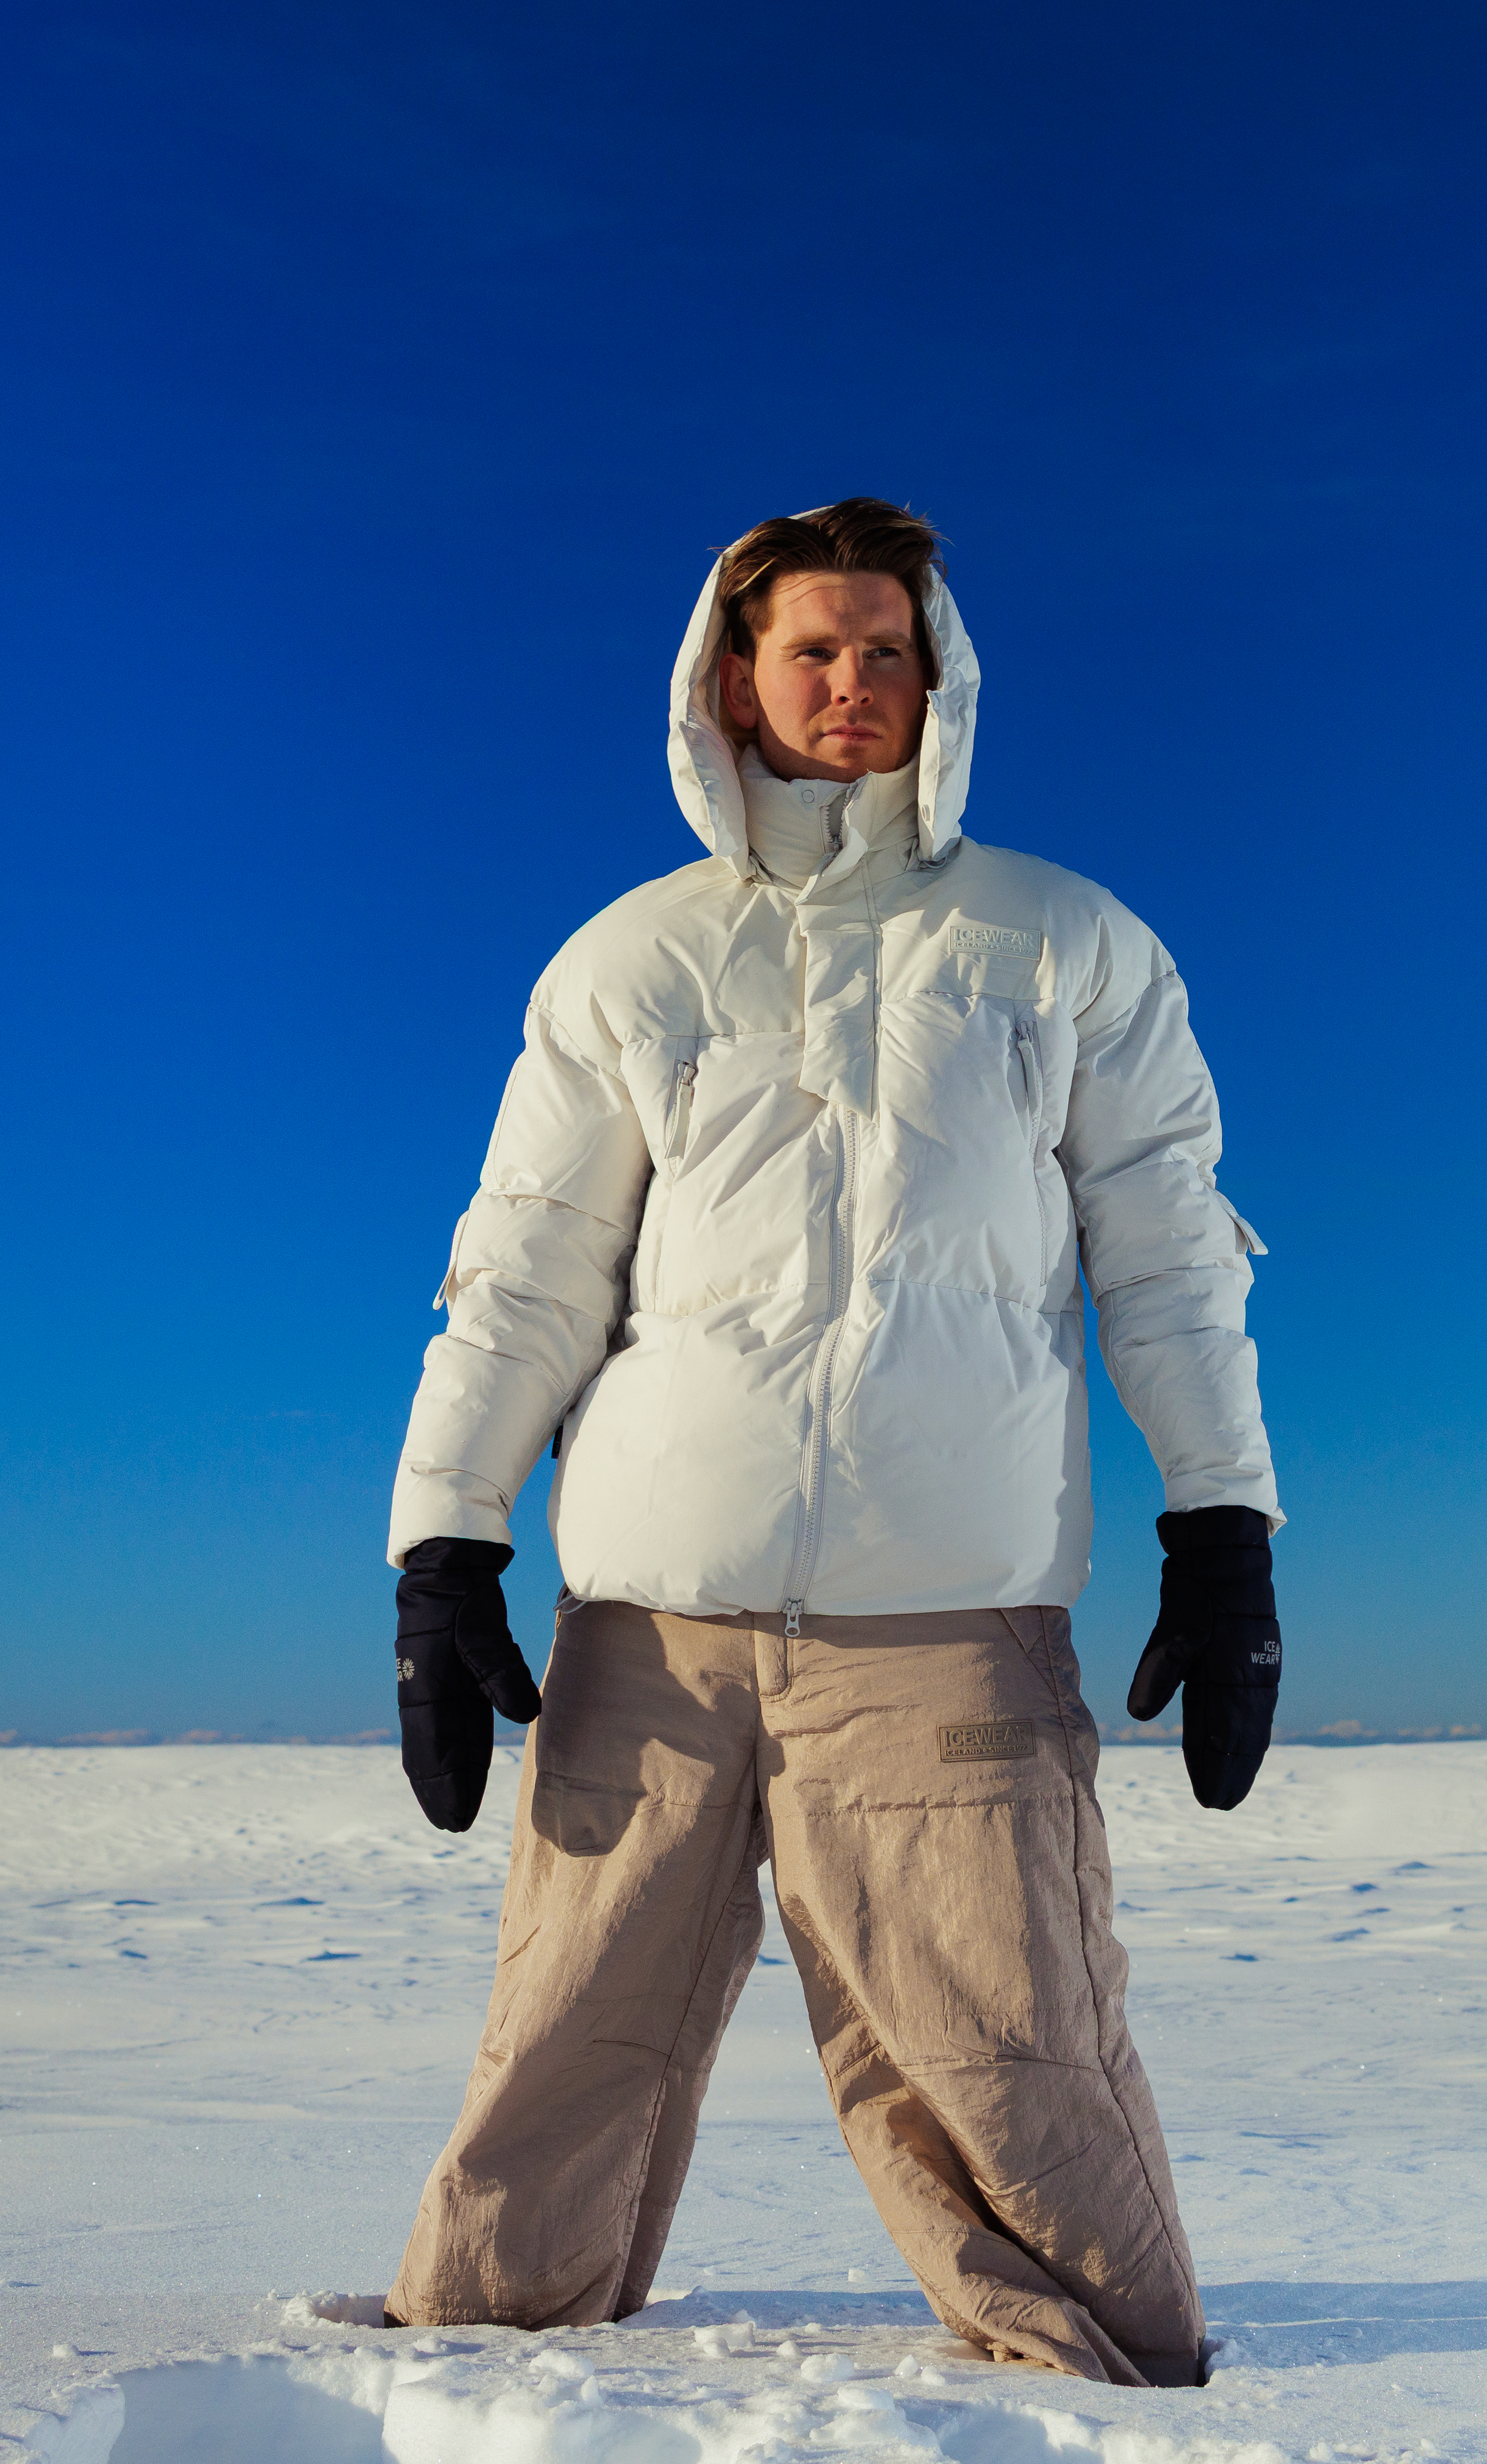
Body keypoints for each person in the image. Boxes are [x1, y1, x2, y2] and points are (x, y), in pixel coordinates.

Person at [381, 499, 1283, 2388]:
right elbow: (527, 1270)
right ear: (732, 678)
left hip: (942, 1613)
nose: (853, 683)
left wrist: (1224, 1528)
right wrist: (447, 1536)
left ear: (936, 674)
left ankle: (1106, 2389)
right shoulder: (630, 960)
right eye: (814, 648)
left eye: (886, 648)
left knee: (1009, 2044)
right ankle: (467, 2387)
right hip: (656, 1616)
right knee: (565, 2031)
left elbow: (1174, 1261)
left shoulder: (1064, 942)